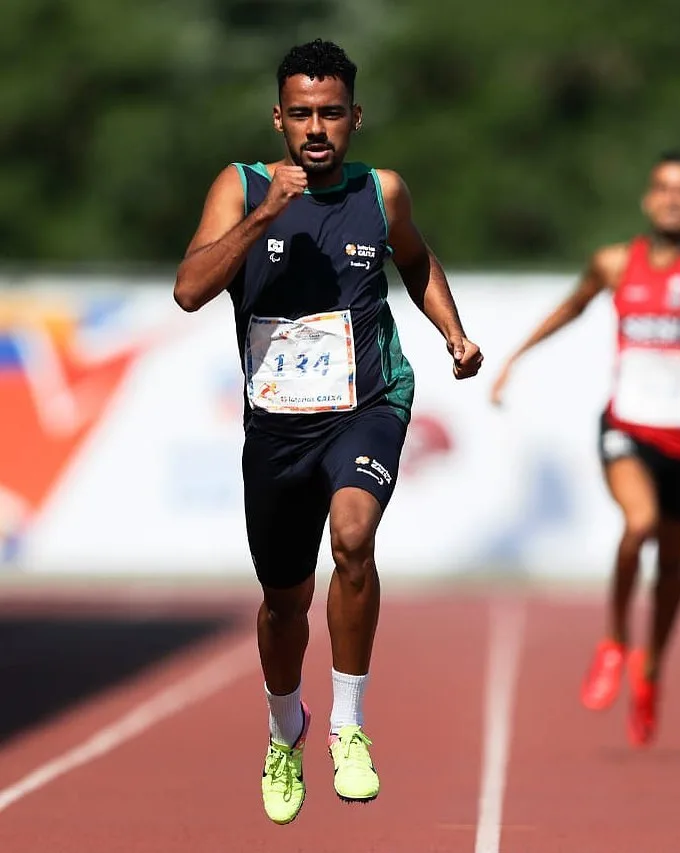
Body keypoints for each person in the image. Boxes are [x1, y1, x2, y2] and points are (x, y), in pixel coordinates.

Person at [173, 38, 483, 824]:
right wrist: (267, 215)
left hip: (366, 402)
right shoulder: (241, 187)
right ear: (278, 118)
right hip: (277, 424)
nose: (316, 128)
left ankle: (348, 724)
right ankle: (286, 732)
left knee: (353, 538)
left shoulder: (382, 192)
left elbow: (413, 261)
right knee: (283, 602)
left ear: (354, 117)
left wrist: (451, 331)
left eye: (331, 114)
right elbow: (189, 289)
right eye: (301, 114)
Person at [489, 151, 680, 747]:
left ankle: (650, 668)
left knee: (672, 567)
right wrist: (515, 359)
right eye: (664, 189)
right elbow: (573, 306)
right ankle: (615, 641)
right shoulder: (616, 263)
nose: (674, 199)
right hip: (626, 425)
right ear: (648, 199)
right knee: (639, 524)